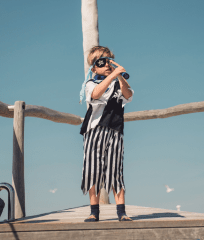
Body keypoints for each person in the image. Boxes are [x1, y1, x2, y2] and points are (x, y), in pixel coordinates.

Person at [79, 46, 134, 222]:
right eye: (101, 62)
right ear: (93, 68)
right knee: (92, 171)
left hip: (116, 130)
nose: (106, 65)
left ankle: (121, 212)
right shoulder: (91, 83)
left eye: (109, 61)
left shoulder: (118, 83)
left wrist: (119, 75)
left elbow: (128, 95)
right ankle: (94, 211)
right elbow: (95, 94)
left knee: (115, 170)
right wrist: (111, 75)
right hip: (95, 130)